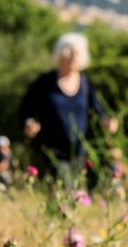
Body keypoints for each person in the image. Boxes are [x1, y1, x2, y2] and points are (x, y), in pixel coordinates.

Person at [20, 33, 118, 187]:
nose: (74, 57)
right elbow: (27, 109)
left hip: (79, 151)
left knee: (77, 191)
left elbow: (98, 110)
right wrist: (29, 123)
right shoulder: (45, 82)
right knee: (64, 188)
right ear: (61, 54)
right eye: (70, 52)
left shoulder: (86, 83)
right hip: (52, 151)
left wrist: (108, 121)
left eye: (78, 53)